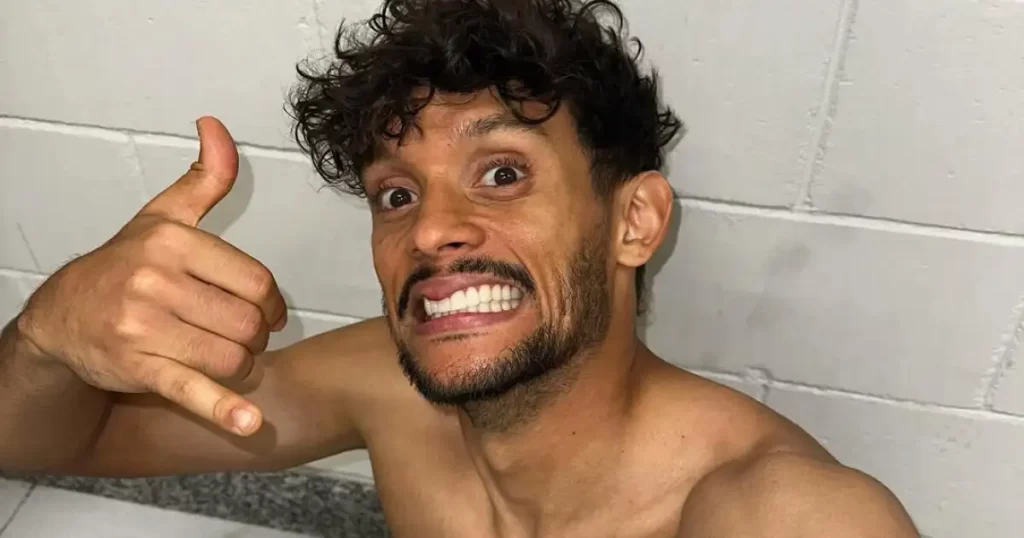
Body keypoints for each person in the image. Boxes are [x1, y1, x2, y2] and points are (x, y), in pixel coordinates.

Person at [0, 0, 918, 536]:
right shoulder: (384, 386)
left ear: (633, 222)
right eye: (396, 194)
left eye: (503, 174)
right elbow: (43, 442)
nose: (431, 229)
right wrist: (47, 339)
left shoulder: (773, 509)